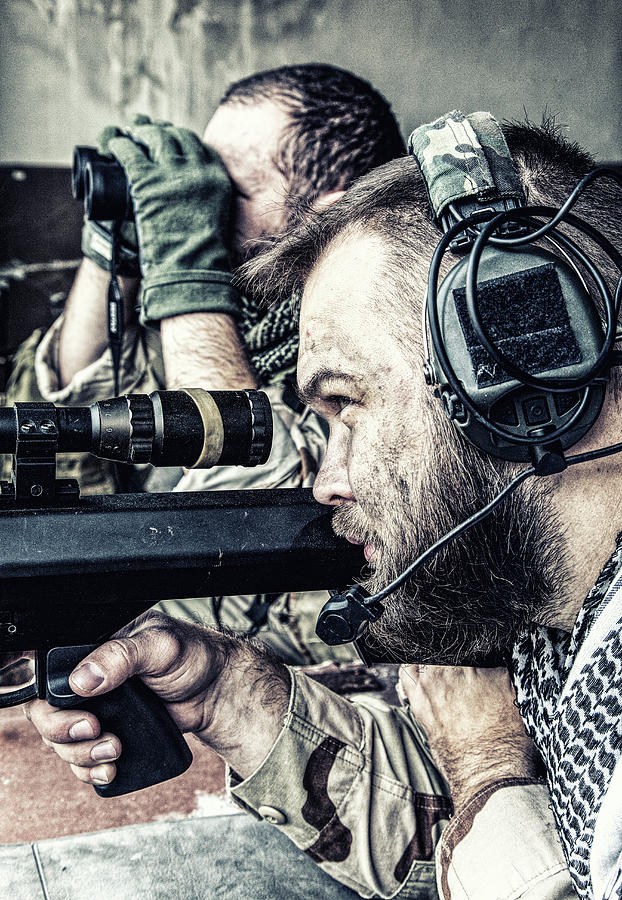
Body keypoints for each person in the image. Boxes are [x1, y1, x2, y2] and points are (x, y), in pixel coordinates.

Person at [25, 112, 611, 899]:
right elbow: (475, 847)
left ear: (526, 366)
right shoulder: (557, 618)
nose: (325, 482)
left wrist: (488, 768)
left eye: (345, 404)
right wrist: (238, 699)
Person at [27, 63, 407, 664]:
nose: (199, 209)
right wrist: (117, 250)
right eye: (192, 184)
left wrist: (187, 271)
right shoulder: (221, 314)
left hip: (290, 665)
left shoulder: (389, 338)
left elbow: (248, 516)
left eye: (225, 190)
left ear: (329, 214)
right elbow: (51, 413)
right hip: (153, 636)